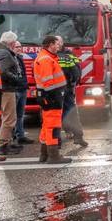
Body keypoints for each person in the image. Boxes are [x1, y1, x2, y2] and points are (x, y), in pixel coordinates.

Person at [34, 36, 71, 164]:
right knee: (53, 127)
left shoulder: (47, 57)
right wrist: (52, 96)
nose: (59, 46)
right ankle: (53, 156)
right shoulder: (46, 59)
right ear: (50, 45)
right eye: (56, 44)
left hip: (50, 96)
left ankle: (44, 154)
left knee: (47, 126)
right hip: (52, 97)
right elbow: (48, 82)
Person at [0, 31, 27, 155]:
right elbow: (4, 72)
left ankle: (6, 143)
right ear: (11, 43)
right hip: (7, 89)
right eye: (14, 42)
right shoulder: (5, 53)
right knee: (9, 118)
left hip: (4, 89)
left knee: (8, 117)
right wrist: (16, 79)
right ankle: (3, 146)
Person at [56, 36, 87, 147]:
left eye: (59, 42)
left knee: (70, 112)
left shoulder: (68, 54)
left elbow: (76, 70)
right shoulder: (50, 56)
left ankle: (77, 136)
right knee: (56, 116)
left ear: (62, 43)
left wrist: (73, 82)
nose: (57, 44)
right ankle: (56, 141)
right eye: (55, 42)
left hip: (65, 89)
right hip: (54, 91)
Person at [12, 41, 35, 145]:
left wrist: (25, 85)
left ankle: (20, 136)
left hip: (22, 88)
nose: (19, 48)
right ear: (11, 47)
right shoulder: (9, 58)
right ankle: (11, 138)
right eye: (17, 47)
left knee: (20, 114)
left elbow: (24, 73)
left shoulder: (20, 58)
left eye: (20, 46)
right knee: (12, 115)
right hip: (15, 89)